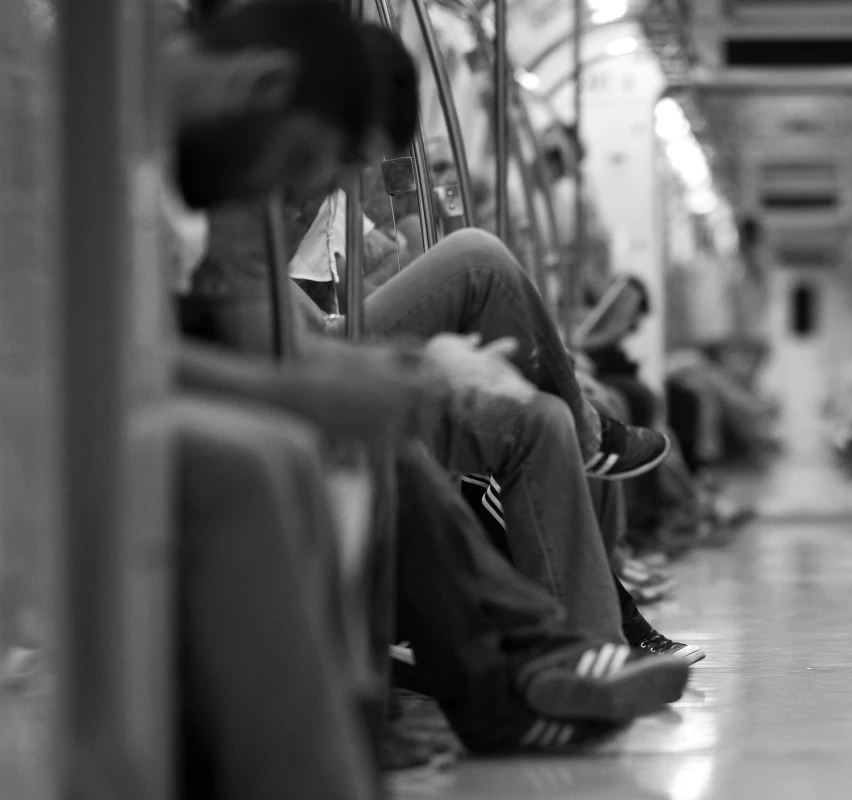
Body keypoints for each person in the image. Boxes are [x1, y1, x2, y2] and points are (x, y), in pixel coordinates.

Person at [160, 5, 691, 784]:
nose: (312, 189)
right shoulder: (147, 143)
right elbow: (133, 351)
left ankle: (575, 649)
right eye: (320, 162)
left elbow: (278, 317)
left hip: (291, 341)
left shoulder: (210, 158)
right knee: (464, 277)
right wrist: (321, 385)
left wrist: (411, 366)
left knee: (535, 415)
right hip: (198, 377)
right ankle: (522, 666)